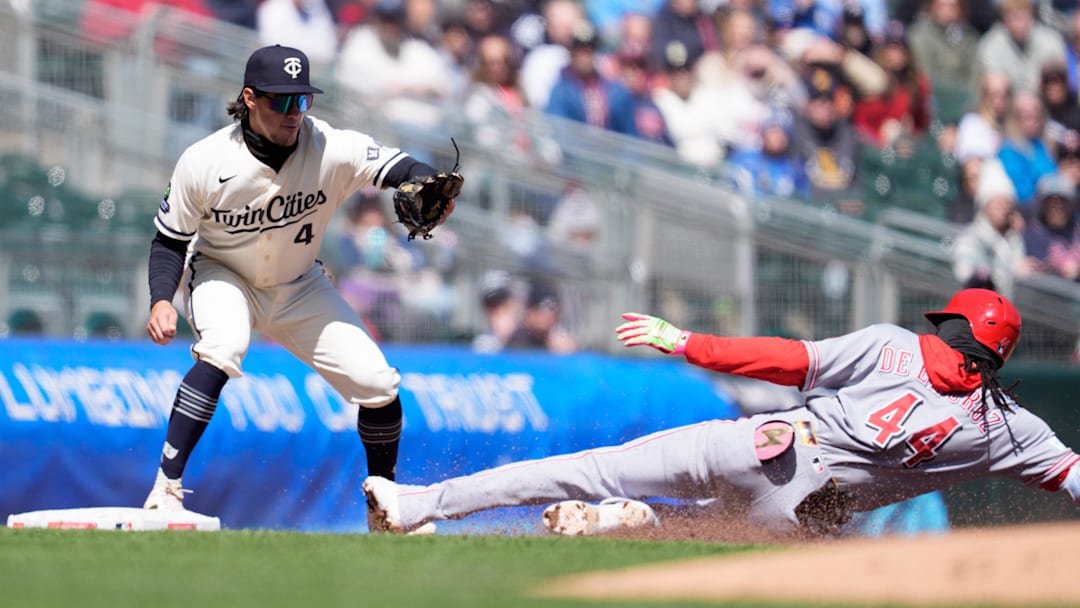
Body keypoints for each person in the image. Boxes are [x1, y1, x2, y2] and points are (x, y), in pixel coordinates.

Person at [362, 288, 1080, 538]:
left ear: (954, 328)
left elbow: (783, 359)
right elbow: (1074, 478)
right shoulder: (1010, 428)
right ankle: (637, 523)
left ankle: (422, 501)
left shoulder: (896, 347)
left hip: (772, 445)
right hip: (815, 512)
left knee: (585, 469)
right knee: (708, 534)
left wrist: (688, 342)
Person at [142, 45, 459, 511]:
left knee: (378, 385)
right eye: (282, 100)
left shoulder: (329, 146)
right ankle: (164, 488)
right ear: (249, 98)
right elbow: (169, 241)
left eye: (303, 99)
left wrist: (430, 182)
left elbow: (396, 165)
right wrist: (161, 299)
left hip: (299, 284)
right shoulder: (204, 160)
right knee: (223, 348)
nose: (295, 112)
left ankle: (386, 505)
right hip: (224, 275)